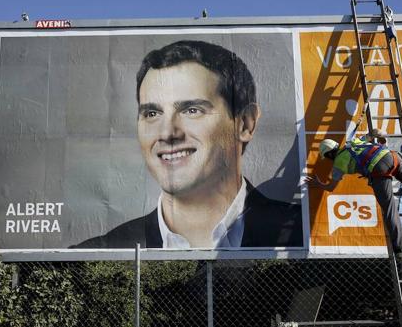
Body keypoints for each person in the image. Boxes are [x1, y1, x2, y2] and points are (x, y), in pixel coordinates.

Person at [76, 40, 303, 248]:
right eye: (152, 113)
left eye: (191, 110)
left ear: (245, 123)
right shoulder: (99, 253)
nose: (167, 133)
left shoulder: (302, 235)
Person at [305, 129, 402, 258]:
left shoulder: (338, 163)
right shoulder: (353, 142)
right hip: (395, 158)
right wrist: (379, 137)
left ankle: (399, 249)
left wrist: (319, 184)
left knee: (389, 208)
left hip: (378, 169)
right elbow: (375, 133)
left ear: (328, 155)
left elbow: (331, 187)